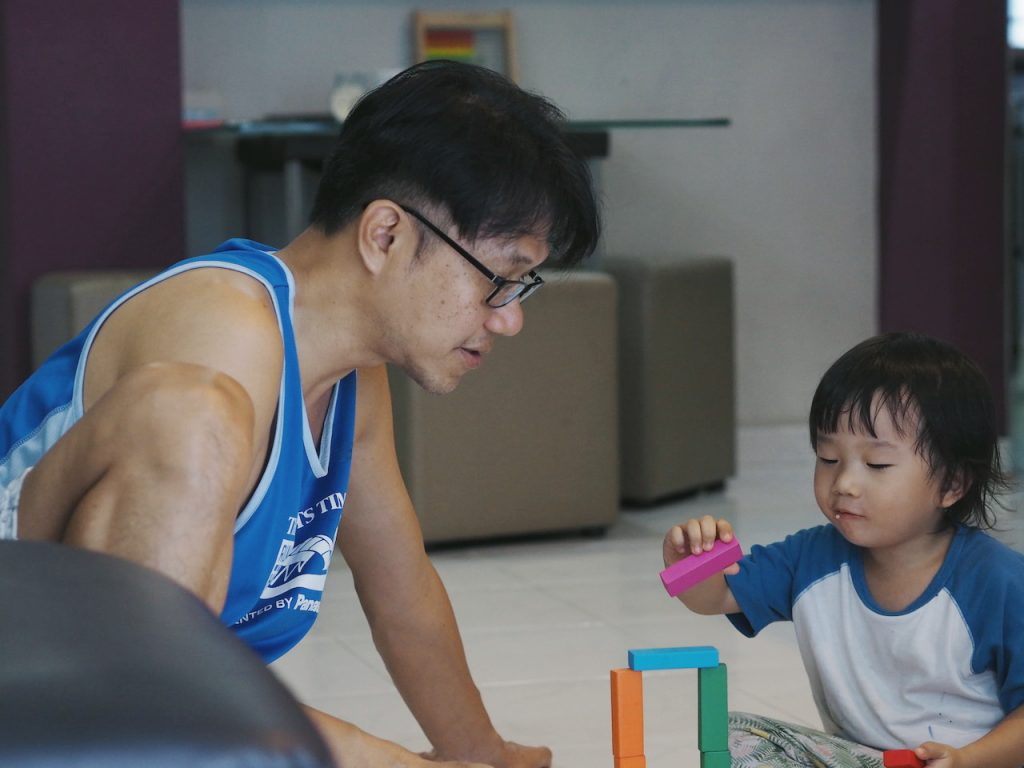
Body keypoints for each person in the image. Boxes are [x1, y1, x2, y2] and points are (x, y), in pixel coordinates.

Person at [0, 60, 599, 768]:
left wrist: (483, 755)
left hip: (101, 704)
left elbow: (402, 595)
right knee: (191, 414)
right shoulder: (221, 337)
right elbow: (155, 685)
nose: (509, 319)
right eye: (500, 278)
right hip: (61, 691)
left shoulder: (350, 375)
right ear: (385, 235)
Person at [663, 332, 1024, 768]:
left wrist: (967, 760)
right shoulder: (811, 558)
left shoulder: (998, 581)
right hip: (859, 760)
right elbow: (716, 595)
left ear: (952, 483)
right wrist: (691, 566)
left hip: (971, 764)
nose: (845, 483)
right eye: (829, 458)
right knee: (741, 738)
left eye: (877, 464)